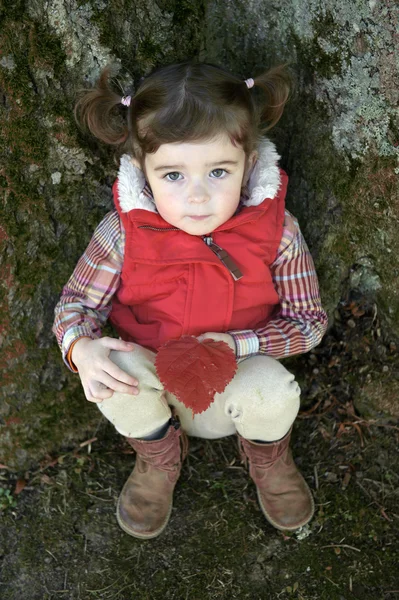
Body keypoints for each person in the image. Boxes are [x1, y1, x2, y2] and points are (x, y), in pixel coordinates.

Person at [52, 60, 328, 540]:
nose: (197, 197)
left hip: (236, 379)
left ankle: (269, 457)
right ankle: (157, 460)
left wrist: (240, 344)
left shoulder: (277, 232)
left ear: (249, 164)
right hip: (155, 387)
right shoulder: (124, 234)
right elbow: (76, 306)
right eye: (173, 175)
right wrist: (81, 347)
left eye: (218, 171)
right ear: (143, 169)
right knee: (112, 373)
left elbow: (309, 322)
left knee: (274, 389)